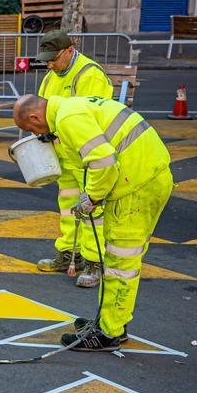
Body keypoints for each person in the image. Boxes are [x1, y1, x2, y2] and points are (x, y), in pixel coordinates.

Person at [13, 94, 174, 351]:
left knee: (121, 262)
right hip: (143, 177)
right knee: (116, 259)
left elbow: (103, 161)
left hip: (138, 186)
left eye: (32, 129)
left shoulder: (67, 118)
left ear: (35, 116)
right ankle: (110, 323)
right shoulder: (69, 108)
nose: (36, 134)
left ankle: (108, 334)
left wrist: (93, 197)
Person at [33, 30, 114, 288]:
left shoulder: (90, 74)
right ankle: (70, 252)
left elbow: (89, 119)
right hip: (64, 152)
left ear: (70, 50)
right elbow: (42, 110)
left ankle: (94, 261)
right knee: (68, 204)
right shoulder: (50, 77)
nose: (49, 65)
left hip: (87, 153)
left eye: (53, 59)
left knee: (92, 208)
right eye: (45, 60)